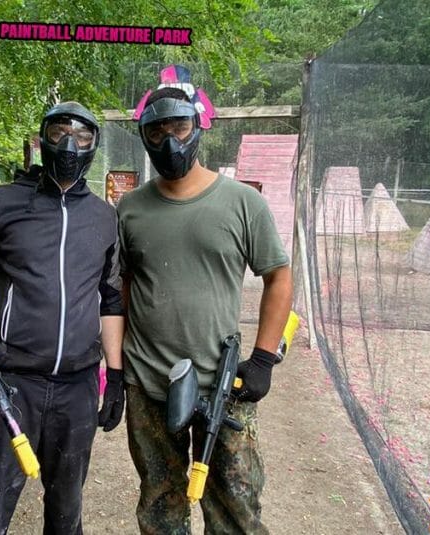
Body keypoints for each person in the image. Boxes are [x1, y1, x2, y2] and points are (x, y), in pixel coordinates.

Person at [0, 101, 126, 535]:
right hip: (11, 384)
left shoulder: (105, 218)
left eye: (82, 137)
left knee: (67, 512)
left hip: (78, 387)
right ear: (41, 139)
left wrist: (115, 375)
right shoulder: (3, 203)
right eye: (59, 133)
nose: (69, 145)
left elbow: (111, 300)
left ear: (94, 145)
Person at [117, 87, 293, 534]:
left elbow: (278, 277)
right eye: (156, 131)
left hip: (223, 382)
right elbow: (122, 286)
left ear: (197, 129)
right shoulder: (129, 208)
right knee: (160, 503)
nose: (169, 141)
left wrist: (263, 359)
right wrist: (116, 368)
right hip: (149, 380)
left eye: (179, 127)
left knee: (236, 507)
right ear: (144, 137)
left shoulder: (242, 202)